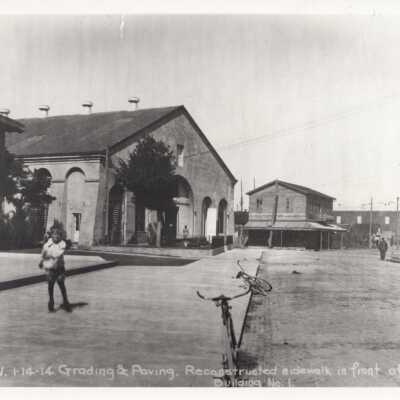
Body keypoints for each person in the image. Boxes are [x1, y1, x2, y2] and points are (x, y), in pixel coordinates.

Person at [38, 227, 72, 312]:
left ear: (60, 236)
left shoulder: (62, 244)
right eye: (54, 234)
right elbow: (43, 253)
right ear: (51, 235)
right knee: (50, 285)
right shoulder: (47, 244)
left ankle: (65, 301)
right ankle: (51, 301)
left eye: (58, 235)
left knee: (61, 284)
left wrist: (49, 254)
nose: (56, 236)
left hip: (60, 268)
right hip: (50, 268)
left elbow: (58, 253)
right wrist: (42, 261)